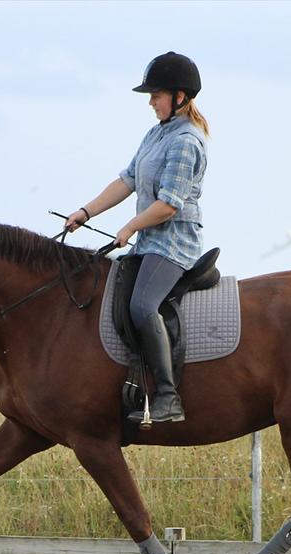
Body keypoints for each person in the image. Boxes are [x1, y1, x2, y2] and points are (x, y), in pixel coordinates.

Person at [65, 51, 209, 424]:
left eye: (156, 94)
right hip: (149, 242)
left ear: (180, 96)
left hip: (174, 243)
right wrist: (86, 212)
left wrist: (130, 228)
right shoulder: (156, 134)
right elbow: (127, 181)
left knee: (142, 306)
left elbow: (169, 205)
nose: (150, 102)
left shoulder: (186, 142)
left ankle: (167, 396)